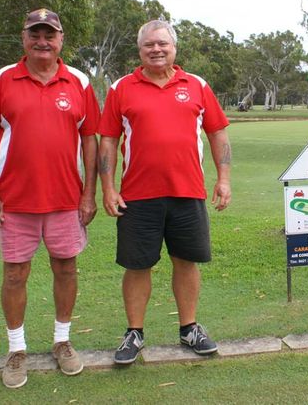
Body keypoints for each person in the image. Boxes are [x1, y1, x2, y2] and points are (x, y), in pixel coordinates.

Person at [0, 8, 100, 388]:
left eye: (50, 34)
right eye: (35, 34)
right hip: (14, 202)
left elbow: (90, 139)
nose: (42, 41)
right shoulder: (1, 80)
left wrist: (89, 194)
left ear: (61, 40)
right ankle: (16, 349)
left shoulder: (78, 81)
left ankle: (62, 341)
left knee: (66, 269)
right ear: (24, 38)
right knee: (15, 274)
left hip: (65, 200)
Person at [98, 19, 231, 364]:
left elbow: (217, 133)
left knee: (186, 261)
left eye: (162, 44)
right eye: (149, 45)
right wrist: (108, 188)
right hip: (138, 196)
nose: (156, 50)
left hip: (188, 193)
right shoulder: (121, 88)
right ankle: (134, 333)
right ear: (140, 50)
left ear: (174, 48)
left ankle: (189, 329)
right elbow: (108, 140)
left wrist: (224, 178)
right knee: (137, 265)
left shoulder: (197, 85)